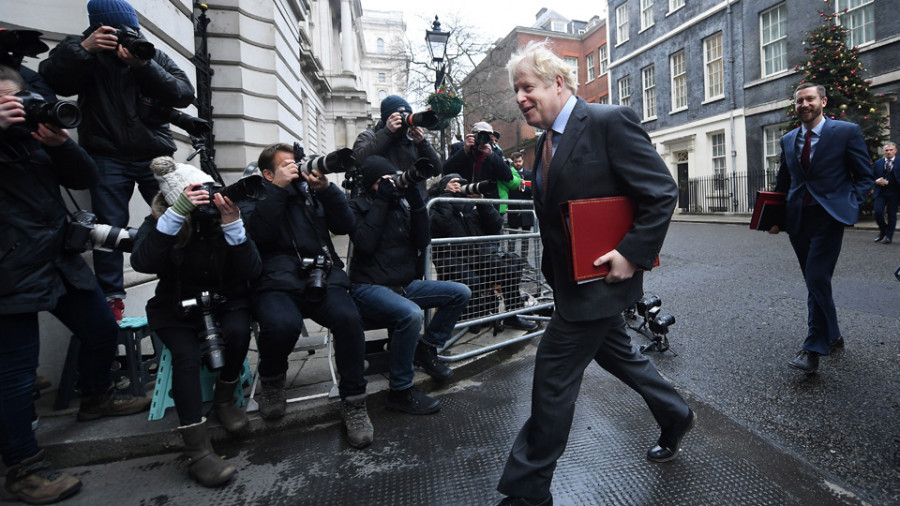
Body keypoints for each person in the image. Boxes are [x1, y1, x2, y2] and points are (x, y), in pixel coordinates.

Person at [495, 41, 695, 506]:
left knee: (551, 377)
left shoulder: (608, 122)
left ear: (557, 83)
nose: (520, 98)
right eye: (516, 91)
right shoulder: (545, 142)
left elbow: (662, 192)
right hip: (571, 284)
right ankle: (675, 413)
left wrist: (631, 253)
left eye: (527, 88)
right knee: (618, 356)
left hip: (600, 286)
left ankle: (528, 492)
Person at [0, 66, 150, 505]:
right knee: (15, 372)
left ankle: (96, 397)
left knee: (102, 328)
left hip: (56, 256)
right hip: (8, 267)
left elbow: (86, 178)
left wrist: (61, 145)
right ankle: (23, 468)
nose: (14, 107)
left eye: (17, 98)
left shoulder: (34, 139)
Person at [39, 0, 195, 322]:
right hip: (107, 154)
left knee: (181, 213)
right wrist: (85, 49)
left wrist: (143, 65)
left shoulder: (148, 53)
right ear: (98, 28)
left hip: (154, 152)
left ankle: (189, 275)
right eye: (116, 31)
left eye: (130, 30)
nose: (125, 37)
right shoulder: (83, 51)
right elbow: (54, 81)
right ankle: (113, 297)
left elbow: (183, 93)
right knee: (109, 226)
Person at [130, 156, 261, 487]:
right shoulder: (163, 219)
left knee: (237, 330)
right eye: (194, 195)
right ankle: (198, 451)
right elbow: (142, 260)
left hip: (224, 299)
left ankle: (225, 398)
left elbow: (252, 270)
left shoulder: (220, 221)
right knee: (186, 358)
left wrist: (233, 226)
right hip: (175, 307)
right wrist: (176, 215)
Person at [242, 143, 373, 449]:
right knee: (281, 324)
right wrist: (277, 189)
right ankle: (273, 379)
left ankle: (354, 401)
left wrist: (327, 190)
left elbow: (345, 226)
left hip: (321, 274)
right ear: (267, 173)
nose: (295, 169)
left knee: (348, 319)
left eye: (295, 163)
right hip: (275, 281)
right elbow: (259, 235)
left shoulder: (311, 193)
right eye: (285, 165)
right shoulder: (254, 195)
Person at [347, 155, 471, 415]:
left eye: (394, 176)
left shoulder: (401, 204)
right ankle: (400, 391)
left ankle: (426, 348)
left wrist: (415, 201)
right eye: (384, 179)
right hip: (368, 287)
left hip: (404, 284)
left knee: (459, 292)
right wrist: (382, 199)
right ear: (372, 182)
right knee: (410, 314)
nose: (392, 182)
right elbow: (365, 244)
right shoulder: (357, 206)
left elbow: (422, 240)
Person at [771, 83, 874, 374]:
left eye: (810, 99)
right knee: (815, 280)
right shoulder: (789, 139)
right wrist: (775, 217)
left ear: (823, 102)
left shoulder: (845, 132)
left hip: (829, 217)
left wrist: (849, 204)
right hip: (797, 219)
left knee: (816, 275)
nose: (804, 104)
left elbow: (864, 176)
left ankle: (813, 348)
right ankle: (834, 334)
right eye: (800, 100)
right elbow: (784, 181)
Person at [429, 174, 538, 333]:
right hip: (452, 260)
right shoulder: (435, 204)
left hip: (479, 257)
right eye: (455, 185)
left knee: (509, 272)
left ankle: (512, 315)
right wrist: (446, 196)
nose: (459, 188)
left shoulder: (470, 206)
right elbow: (441, 225)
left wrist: (482, 202)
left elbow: (495, 226)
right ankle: (473, 317)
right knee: (472, 280)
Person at [353, 95, 442, 193]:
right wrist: (387, 132)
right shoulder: (370, 136)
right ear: (387, 119)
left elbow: (437, 169)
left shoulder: (414, 139)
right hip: (384, 201)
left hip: (415, 201)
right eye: (399, 117)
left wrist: (422, 143)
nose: (404, 123)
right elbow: (358, 161)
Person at [443, 121, 513, 200]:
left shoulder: (495, 152)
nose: (482, 139)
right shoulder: (459, 148)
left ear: (491, 137)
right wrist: (464, 151)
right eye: (479, 135)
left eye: (486, 135)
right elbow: (446, 170)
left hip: (486, 200)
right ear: (472, 135)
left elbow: (508, 176)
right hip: (462, 198)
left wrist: (491, 155)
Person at [506, 152, 535, 260]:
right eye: (516, 162)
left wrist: (523, 188)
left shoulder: (530, 174)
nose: (518, 164)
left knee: (526, 238)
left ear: (523, 161)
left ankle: (524, 260)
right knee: (512, 237)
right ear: (512, 162)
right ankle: (509, 259)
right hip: (514, 209)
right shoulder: (509, 174)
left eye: (520, 161)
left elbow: (534, 190)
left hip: (526, 210)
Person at [872, 141, 898, 244]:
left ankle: (889, 236)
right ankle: (884, 230)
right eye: (886, 150)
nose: (888, 152)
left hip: (895, 193)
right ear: (883, 152)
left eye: (891, 150)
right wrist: (876, 181)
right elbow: (871, 176)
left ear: (895, 151)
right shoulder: (878, 163)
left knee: (892, 214)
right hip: (881, 192)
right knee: (878, 212)